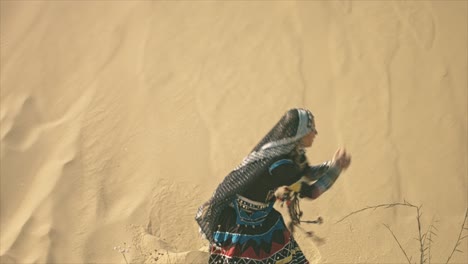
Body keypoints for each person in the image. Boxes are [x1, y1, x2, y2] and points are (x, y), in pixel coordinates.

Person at [196, 108, 351, 264]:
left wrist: (332, 165)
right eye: (312, 129)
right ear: (301, 132)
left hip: (261, 215)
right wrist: (335, 171)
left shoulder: (286, 152)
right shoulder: (281, 164)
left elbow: (307, 174)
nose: (315, 133)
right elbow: (312, 192)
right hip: (242, 222)